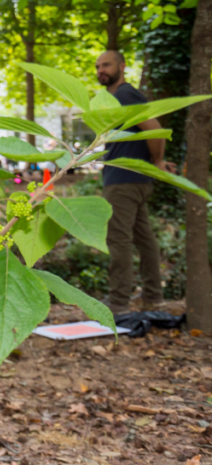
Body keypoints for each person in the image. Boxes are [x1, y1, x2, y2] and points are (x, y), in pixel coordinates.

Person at [95, 50, 171, 314]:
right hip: (133, 179)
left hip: (124, 181)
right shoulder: (119, 98)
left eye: (106, 65)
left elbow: (154, 127)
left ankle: (118, 303)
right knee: (144, 238)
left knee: (118, 239)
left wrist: (158, 161)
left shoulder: (125, 95)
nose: (100, 70)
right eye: (97, 66)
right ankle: (153, 296)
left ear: (122, 66)